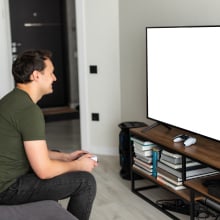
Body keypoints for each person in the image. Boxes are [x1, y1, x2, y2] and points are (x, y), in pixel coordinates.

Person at [0, 49, 98, 220]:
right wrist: (79, 166)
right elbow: (44, 171)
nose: (55, 78)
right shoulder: (29, 111)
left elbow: (23, 149)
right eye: (51, 73)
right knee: (86, 182)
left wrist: (67, 157)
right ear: (36, 76)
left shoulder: (11, 100)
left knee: (57, 154)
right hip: (6, 189)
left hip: (5, 176)